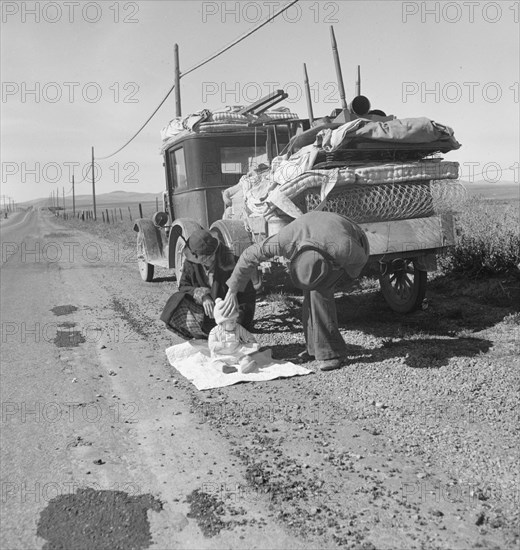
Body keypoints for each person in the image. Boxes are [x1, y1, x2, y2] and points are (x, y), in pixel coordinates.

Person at [220, 211, 369, 371]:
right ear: (294, 256)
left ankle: (331, 353)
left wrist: (343, 273)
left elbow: (360, 261)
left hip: (350, 237)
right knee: (310, 291)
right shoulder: (285, 240)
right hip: (314, 231)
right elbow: (249, 255)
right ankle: (314, 348)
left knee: (319, 294)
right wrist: (233, 290)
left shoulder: (345, 248)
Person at [160, 229, 256, 340]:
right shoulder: (191, 263)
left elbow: (248, 297)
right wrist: (203, 295)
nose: (209, 260)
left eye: (210, 256)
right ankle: (202, 336)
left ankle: (223, 335)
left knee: (231, 342)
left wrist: (237, 322)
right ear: (195, 256)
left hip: (227, 317)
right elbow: (183, 286)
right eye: (204, 259)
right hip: (205, 315)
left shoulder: (232, 263)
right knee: (177, 300)